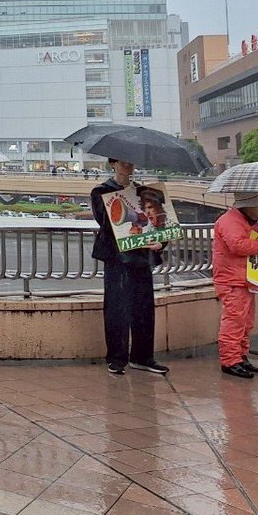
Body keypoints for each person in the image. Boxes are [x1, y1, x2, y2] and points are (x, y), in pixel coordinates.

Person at [91, 159, 168, 376]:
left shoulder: (144, 192)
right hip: (117, 259)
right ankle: (117, 358)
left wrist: (160, 243)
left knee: (144, 308)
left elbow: (160, 224)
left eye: (130, 162)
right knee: (117, 308)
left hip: (141, 258)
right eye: (122, 162)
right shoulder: (101, 191)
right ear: (112, 164)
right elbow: (104, 222)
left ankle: (143, 357)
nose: (128, 165)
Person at [212, 192, 258, 379]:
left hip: (243, 280)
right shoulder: (230, 221)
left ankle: (240, 356)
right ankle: (230, 361)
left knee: (245, 322)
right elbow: (237, 245)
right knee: (234, 322)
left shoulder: (246, 221)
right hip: (232, 281)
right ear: (249, 205)